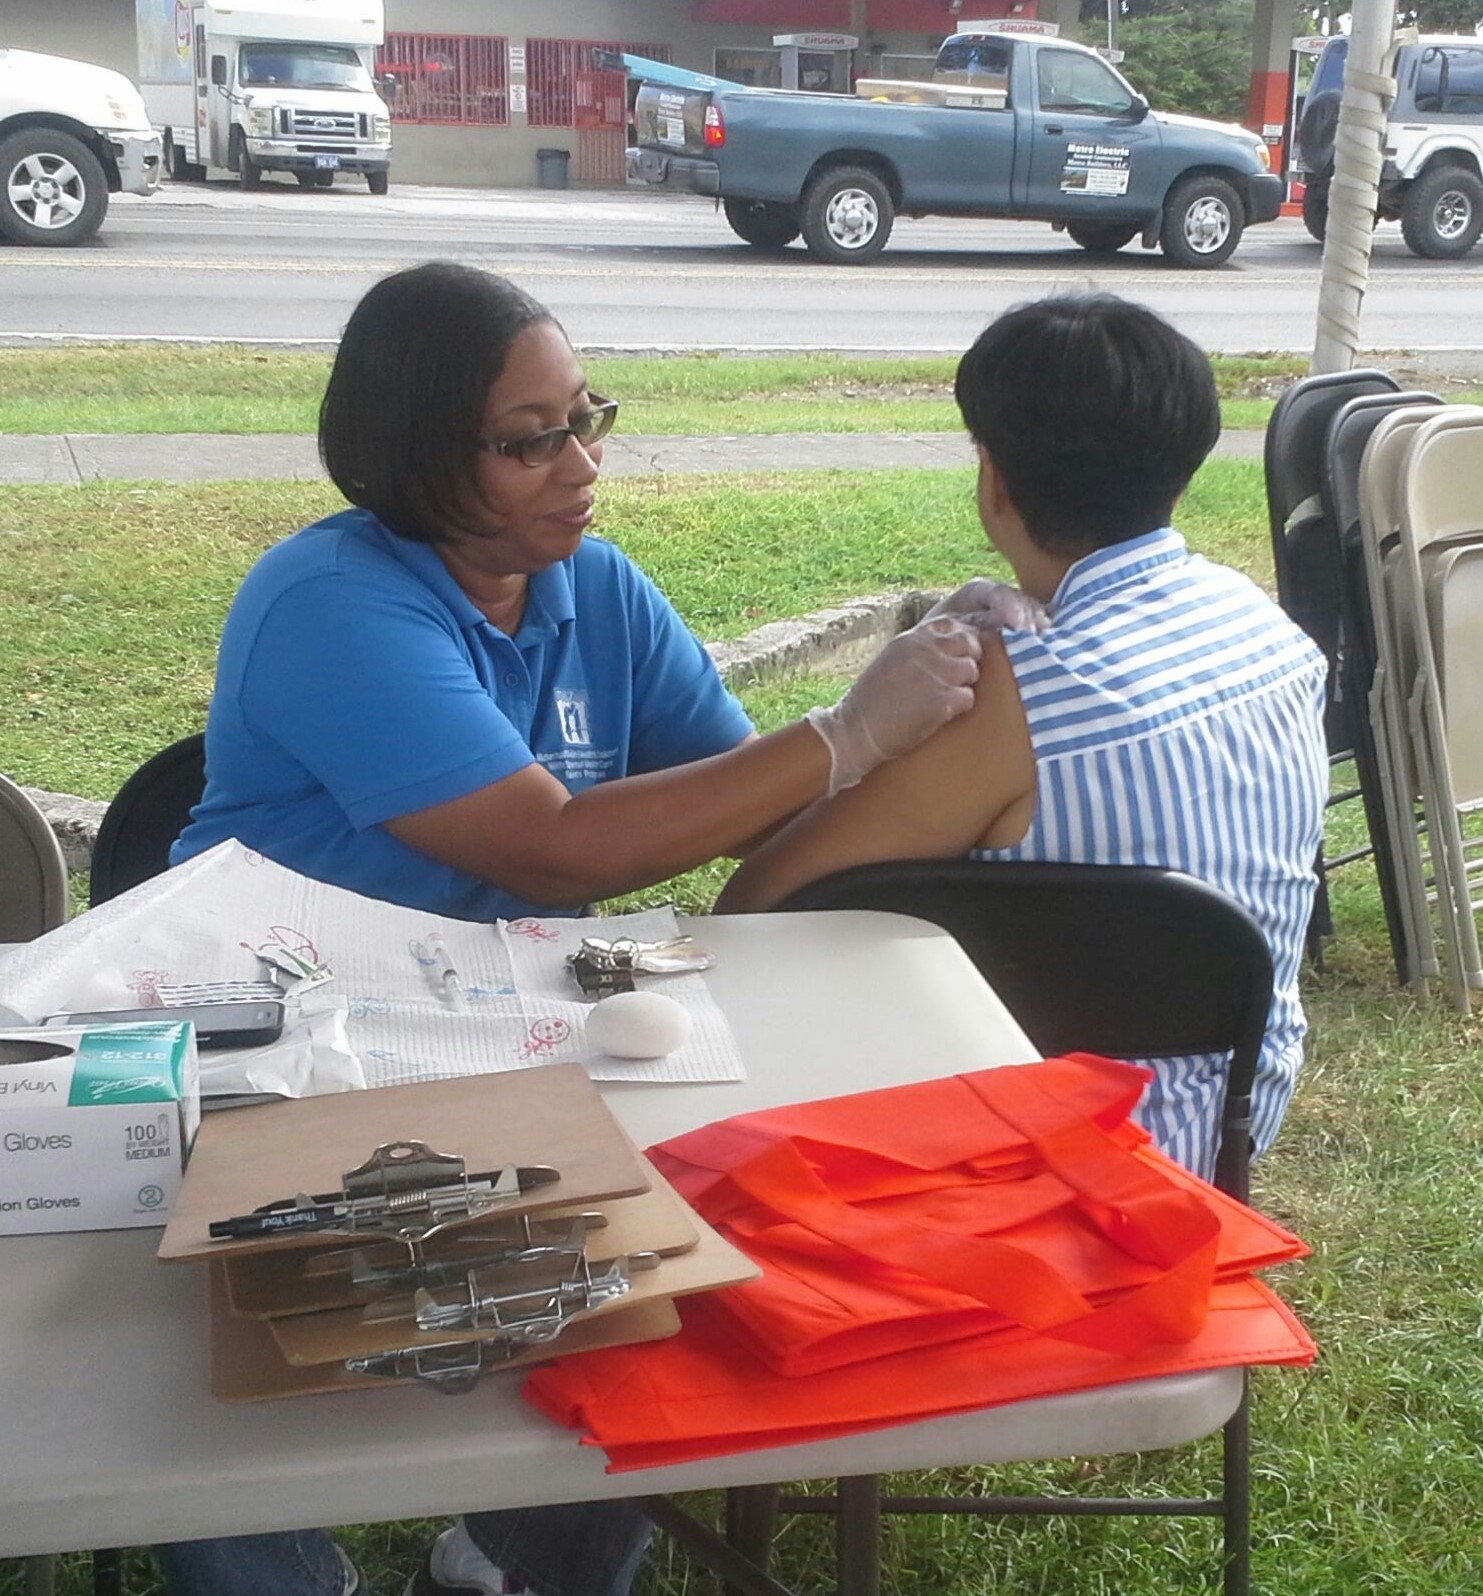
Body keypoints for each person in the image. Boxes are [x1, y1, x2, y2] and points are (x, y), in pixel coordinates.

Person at [161, 261, 987, 1596]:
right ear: (416, 456)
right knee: (241, 1357)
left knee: (655, 1277)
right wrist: (844, 732)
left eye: (582, 416)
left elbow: (731, 810)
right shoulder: (334, 603)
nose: (578, 461)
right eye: (526, 439)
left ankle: (514, 1561)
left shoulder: (590, 589)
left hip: (495, 1026)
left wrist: (929, 742)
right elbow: (552, 842)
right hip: (269, 1032)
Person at [718, 293, 1329, 1183]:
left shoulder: (1012, 694)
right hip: (1228, 1122)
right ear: (1185, 460)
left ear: (993, 479)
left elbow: (760, 909)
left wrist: (864, 722)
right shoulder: (1266, 630)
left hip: (1042, 1162)